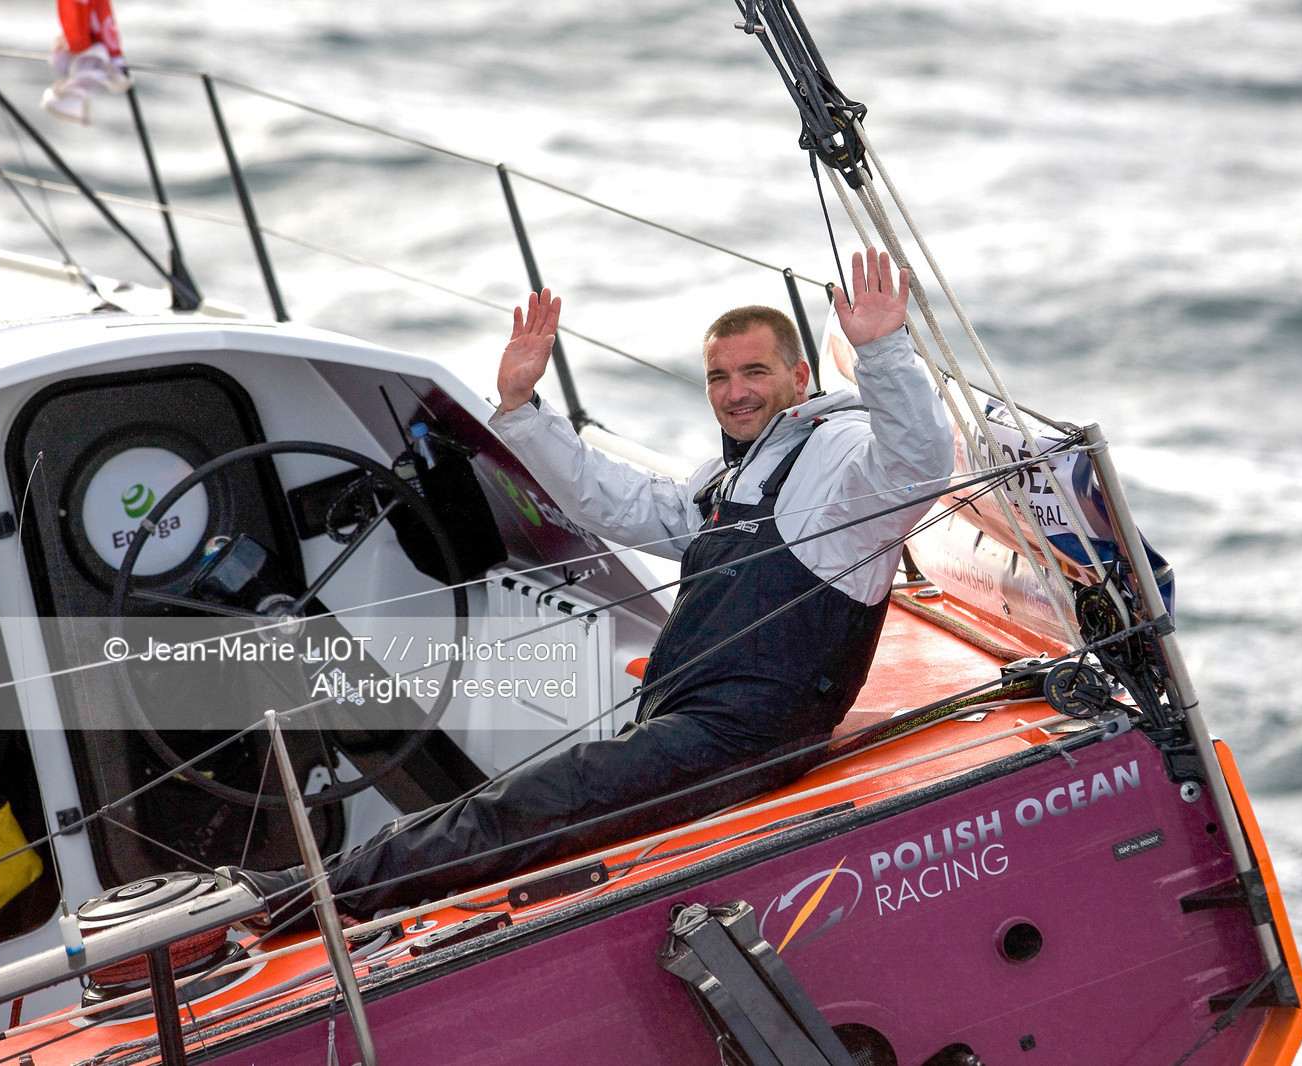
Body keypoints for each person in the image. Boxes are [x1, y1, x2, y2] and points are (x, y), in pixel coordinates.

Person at [234, 247, 952, 926]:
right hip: (683, 722)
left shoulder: (843, 457)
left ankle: (310, 897)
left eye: (755, 373)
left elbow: (918, 465)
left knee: (531, 800)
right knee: (522, 796)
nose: (735, 394)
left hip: (743, 739)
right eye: (718, 378)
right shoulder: (740, 471)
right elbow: (620, 505)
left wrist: (883, 352)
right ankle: (331, 883)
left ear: (800, 378)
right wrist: (521, 408)